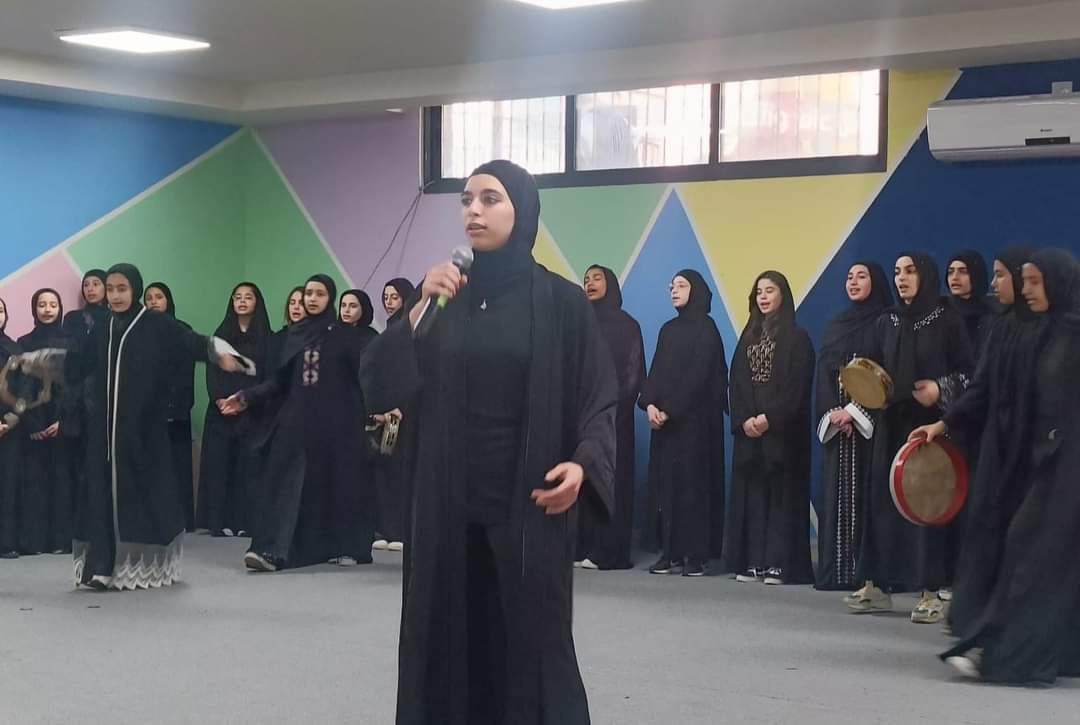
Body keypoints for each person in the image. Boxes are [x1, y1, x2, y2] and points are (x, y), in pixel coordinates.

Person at [360, 160, 617, 724]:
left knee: (534, 641)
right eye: (467, 200)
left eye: (490, 199)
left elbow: (598, 395)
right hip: (446, 500)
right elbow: (379, 382)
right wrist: (418, 309)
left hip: (527, 501)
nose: (473, 210)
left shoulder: (561, 301)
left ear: (521, 210)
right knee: (446, 635)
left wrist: (583, 463)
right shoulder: (444, 296)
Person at [16, 263, 253, 590]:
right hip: (103, 431)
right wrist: (39, 360)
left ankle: (132, 566)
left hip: (142, 431)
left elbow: (190, 342)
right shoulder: (102, 326)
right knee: (99, 494)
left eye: (122, 289)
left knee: (140, 496)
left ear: (135, 290)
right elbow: (78, 362)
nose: (115, 296)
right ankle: (101, 566)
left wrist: (218, 352)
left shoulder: (155, 324)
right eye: (111, 289)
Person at [941, 249, 1080, 684]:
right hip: (1044, 466)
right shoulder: (1043, 333)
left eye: (1035, 281)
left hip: (1067, 471)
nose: (1027, 289)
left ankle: (1015, 659)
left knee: (1034, 557)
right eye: (1025, 280)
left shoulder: (1072, 337)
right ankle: (1019, 653)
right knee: (1031, 556)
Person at [909, 248, 1040, 639]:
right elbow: (981, 387)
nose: (996, 284)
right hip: (994, 442)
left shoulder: (1052, 330)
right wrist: (942, 424)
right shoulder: (1000, 327)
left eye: (1003, 275)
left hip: (1036, 449)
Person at [848, 253, 973, 623]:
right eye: (897, 272)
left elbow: (970, 374)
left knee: (926, 507)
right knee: (880, 504)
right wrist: (867, 387)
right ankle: (876, 586)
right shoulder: (886, 320)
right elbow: (869, 367)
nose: (902, 278)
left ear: (926, 276)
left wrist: (939, 388)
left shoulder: (947, 319)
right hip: (890, 423)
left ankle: (931, 592)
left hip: (930, 429)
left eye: (910, 271)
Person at [222, 274, 375, 571]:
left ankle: (342, 547)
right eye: (309, 293)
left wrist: (370, 413)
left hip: (336, 424)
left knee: (335, 484)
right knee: (284, 484)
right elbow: (280, 380)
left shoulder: (344, 335)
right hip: (296, 420)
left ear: (329, 298)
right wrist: (246, 397)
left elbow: (360, 379)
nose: (312, 299)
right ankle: (272, 551)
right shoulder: (296, 333)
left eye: (319, 294)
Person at [725, 271, 815, 586]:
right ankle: (752, 561)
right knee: (753, 494)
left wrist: (769, 419)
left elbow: (797, 388)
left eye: (770, 291)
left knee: (781, 495)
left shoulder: (798, 338)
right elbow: (736, 381)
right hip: (750, 430)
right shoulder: (748, 335)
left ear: (783, 295)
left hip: (782, 432)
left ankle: (779, 563)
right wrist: (744, 419)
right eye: (759, 292)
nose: (763, 297)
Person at [639, 269, 726, 577]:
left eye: (681, 285)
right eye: (671, 286)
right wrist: (649, 404)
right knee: (667, 488)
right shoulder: (668, 330)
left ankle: (695, 555)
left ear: (696, 290)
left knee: (693, 488)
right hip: (666, 426)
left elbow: (699, 377)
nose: (674, 291)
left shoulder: (707, 328)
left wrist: (670, 411)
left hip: (695, 426)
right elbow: (656, 371)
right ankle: (670, 552)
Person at [814, 262, 891, 592]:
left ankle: (868, 576)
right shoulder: (836, 325)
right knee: (837, 496)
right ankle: (838, 572)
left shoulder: (885, 322)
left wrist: (854, 412)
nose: (854, 282)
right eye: (849, 277)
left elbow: (887, 374)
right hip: (839, 430)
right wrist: (833, 413)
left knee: (869, 497)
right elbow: (824, 373)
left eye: (862, 277)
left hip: (871, 427)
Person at [576, 264, 644, 571]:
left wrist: (613, 408)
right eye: (586, 279)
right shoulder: (580, 322)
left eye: (597, 278)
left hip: (616, 418)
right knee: (583, 477)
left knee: (612, 479)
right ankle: (582, 546)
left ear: (611, 284)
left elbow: (633, 374)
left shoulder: (627, 325)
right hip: (582, 416)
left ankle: (608, 551)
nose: (590, 283)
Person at [197, 283, 271, 537]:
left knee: (247, 467)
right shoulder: (221, 334)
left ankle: (245, 522)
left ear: (257, 303)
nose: (242, 301)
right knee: (220, 466)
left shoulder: (266, 338)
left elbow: (267, 375)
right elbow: (212, 371)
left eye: (248, 297)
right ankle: (219, 521)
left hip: (252, 411)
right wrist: (220, 400)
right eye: (237, 297)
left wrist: (245, 401)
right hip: (221, 413)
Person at [17, 289, 77, 555]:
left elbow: (76, 385)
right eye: (42, 304)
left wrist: (64, 421)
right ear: (34, 309)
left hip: (63, 420)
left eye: (53, 304)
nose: (48, 309)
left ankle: (61, 540)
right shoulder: (24, 342)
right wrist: (31, 423)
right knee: (35, 483)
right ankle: (36, 541)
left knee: (63, 481)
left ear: (60, 308)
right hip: (34, 420)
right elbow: (20, 386)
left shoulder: (72, 342)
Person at [368, 277, 417, 552]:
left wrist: (403, 406)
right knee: (384, 469)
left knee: (404, 473)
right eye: (385, 297)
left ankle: (401, 530)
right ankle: (385, 528)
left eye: (394, 297)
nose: (389, 302)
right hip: (387, 416)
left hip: (409, 413)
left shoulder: (415, 329)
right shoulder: (387, 332)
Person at [144, 283, 197, 532]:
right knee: (151, 469)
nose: (154, 301)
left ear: (168, 301)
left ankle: (182, 520)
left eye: (159, 297)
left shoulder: (182, 330)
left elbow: (186, 375)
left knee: (177, 467)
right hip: (147, 413)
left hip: (175, 411)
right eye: (149, 298)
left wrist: (174, 406)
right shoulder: (139, 333)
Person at [0, 297, 22, 559]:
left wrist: (10, 419)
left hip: (10, 427)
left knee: (8, 485)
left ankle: (6, 542)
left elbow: (26, 388)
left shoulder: (15, 349)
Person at [945, 250, 995, 354]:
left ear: (977, 275)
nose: (955, 277)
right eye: (950, 272)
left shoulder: (990, 317)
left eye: (963, 272)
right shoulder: (939, 312)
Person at [62, 269, 109, 339]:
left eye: (95, 284)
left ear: (106, 287)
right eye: (86, 285)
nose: (90, 289)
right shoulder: (72, 317)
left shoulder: (113, 319)